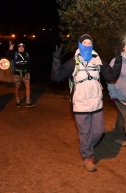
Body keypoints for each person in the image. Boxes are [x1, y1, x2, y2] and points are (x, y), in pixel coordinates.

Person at [51, 34, 122, 172]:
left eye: (90, 43)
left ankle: (85, 147)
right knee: (85, 132)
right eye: (85, 43)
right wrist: (56, 60)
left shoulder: (98, 60)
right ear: (80, 45)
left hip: (96, 103)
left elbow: (111, 76)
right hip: (80, 104)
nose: (88, 45)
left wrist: (118, 63)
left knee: (99, 131)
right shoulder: (73, 62)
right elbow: (56, 77)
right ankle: (88, 157)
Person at [5, 42, 34, 107]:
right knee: (17, 87)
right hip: (17, 74)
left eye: (22, 47)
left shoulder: (27, 54)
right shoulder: (15, 54)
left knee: (28, 86)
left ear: (24, 48)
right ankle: (17, 100)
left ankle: (28, 102)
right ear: (18, 48)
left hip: (26, 73)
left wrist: (28, 71)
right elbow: (7, 54)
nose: (21, 48)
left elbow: (29, 64)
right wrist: (10, 49)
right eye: (19, 47)